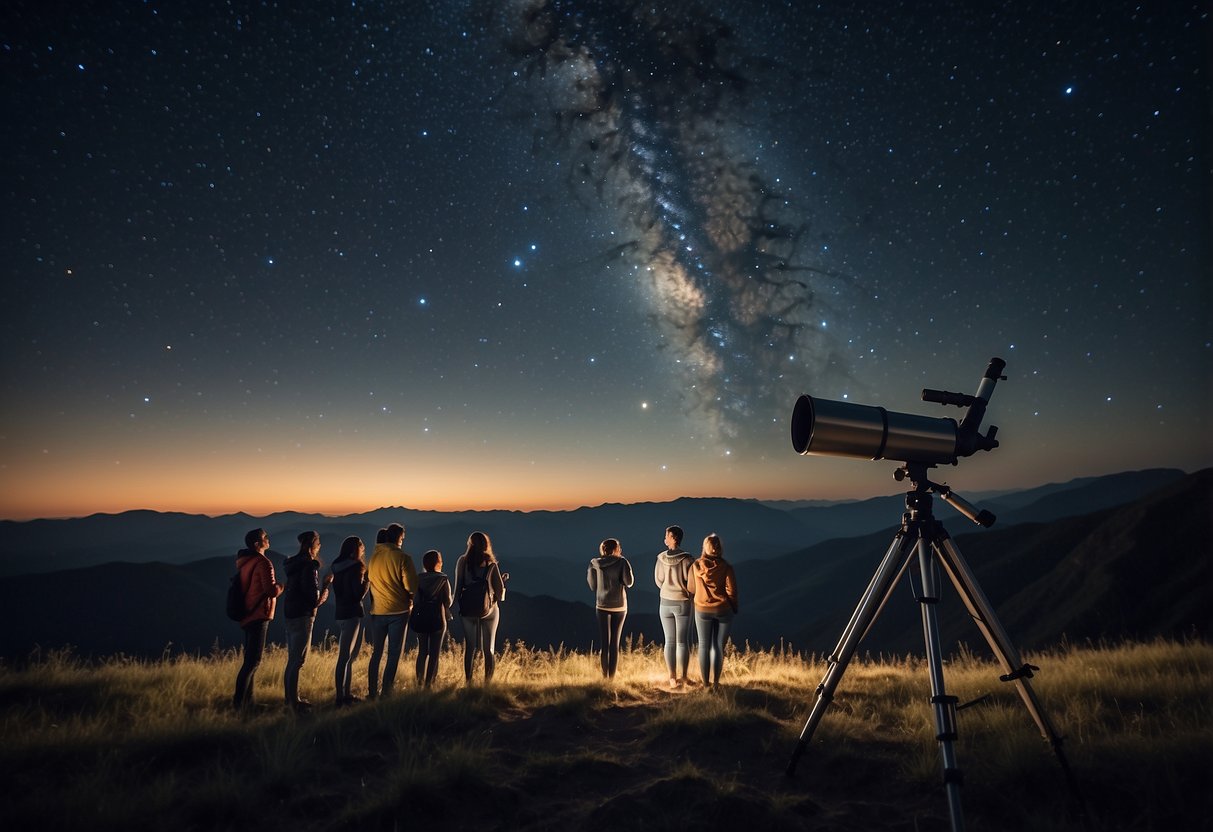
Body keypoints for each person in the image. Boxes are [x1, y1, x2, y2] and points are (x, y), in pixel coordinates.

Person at [280, 530, 332, 711]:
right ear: (312, 545)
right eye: (318, 543)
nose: (320, 546)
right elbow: (313, 599)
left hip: (290, 613)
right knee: (298, 660)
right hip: (303, 615)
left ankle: (290, 698)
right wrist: (326, 586)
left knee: (292, 659)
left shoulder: (292, 564)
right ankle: (294, 702)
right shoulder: (309, 566)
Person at [233, 528, 283, 709]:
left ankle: (248, 702)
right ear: (257, 544)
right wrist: (281, 587)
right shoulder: (263, 563)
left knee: (250, 660)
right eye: (265, 538)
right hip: (259, 614)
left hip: (247, 612)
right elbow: (270, 590)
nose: (268, 539)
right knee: (253, 661)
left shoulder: (245, 562)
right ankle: (240, 704)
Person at [366, 522, 418, 698]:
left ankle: (372, 691)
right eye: (402, 538)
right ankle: (386, 692)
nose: (403, 541)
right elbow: (411, 586)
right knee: (394, 653)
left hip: (377, 610)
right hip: (398, 611)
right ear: (399, 538)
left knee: (376, 653)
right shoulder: (403, 557)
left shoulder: (373, 558)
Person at [454, 531, 507, 684]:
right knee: (488, 649)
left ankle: (469, 682)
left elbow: (458, 589)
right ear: (486, 545)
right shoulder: (491, 564)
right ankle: (487, 684)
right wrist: (503, 583)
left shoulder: (462, 562)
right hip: (487, 611)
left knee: (470, 648)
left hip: (468, 610)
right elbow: (500, 594)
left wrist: (449, 606)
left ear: (469, 544)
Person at [687, 532, 738, 689]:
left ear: (705, 548)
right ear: (719, 548)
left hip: (702, 609)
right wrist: (734, 607)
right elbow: (732, 591)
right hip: (723, 609)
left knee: (703, 645)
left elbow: (691, 588)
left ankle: (705, 683)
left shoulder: (695, 566)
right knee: (718, 646)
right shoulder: (726, 567)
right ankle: (716, 682)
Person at [330, 535, 370, 706]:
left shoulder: (336, 566)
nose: (363, 550)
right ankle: (341, 697)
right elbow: (358, 594)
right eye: (361, 547)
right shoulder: (357, 567)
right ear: (356, 549)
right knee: (346, 656)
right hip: (352, 613)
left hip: (340, 612)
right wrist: (367, 580)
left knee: (346, 656)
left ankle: (345, 693)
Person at [588, 538, 634, 680]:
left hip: (602, 605)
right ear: (616, 549)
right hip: (619, 606)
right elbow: (629, 582)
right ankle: (611, 679)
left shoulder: (594, 564)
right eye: (619, 547)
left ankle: (604, 676)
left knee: (605, 643)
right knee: (615, 643)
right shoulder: (622, 562)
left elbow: (592, 586)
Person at [654, 525, 693, 688]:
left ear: (673, 538)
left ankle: (671, 677)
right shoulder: (688, 559)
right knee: (683, 642)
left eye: (667, 535)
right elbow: (691, 584)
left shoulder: (661, 558)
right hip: (682, 602)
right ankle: (683, 677)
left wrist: (666, 589)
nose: (665, 537)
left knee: (669, 641)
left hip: (665, 602)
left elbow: (658, 580)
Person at [410, 549, 453, 687]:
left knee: (422, 651)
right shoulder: (443, 579)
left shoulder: (418, 578)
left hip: (421, 617)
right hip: (438, 618)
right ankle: (429, 684)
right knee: (434, 654)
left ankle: (419, 682)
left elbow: (415, 600)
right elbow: (448, 601)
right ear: (439, 563)